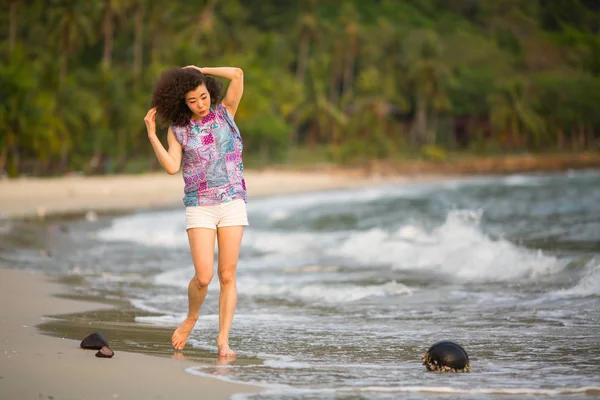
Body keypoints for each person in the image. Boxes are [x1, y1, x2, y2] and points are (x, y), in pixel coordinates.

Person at [143, 66, 247, 358]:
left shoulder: (225, 112)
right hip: (200, 205)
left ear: (209, 93)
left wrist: (199, 70)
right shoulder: (177, 130)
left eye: (203, 97)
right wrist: (153, 135)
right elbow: (172, 167)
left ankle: (223, 340)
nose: (201, 105)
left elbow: (237, 74)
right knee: (203, 276)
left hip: (231, 201)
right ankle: (191, 317)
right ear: (182, 102)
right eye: (193, 100)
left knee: (227, 275)